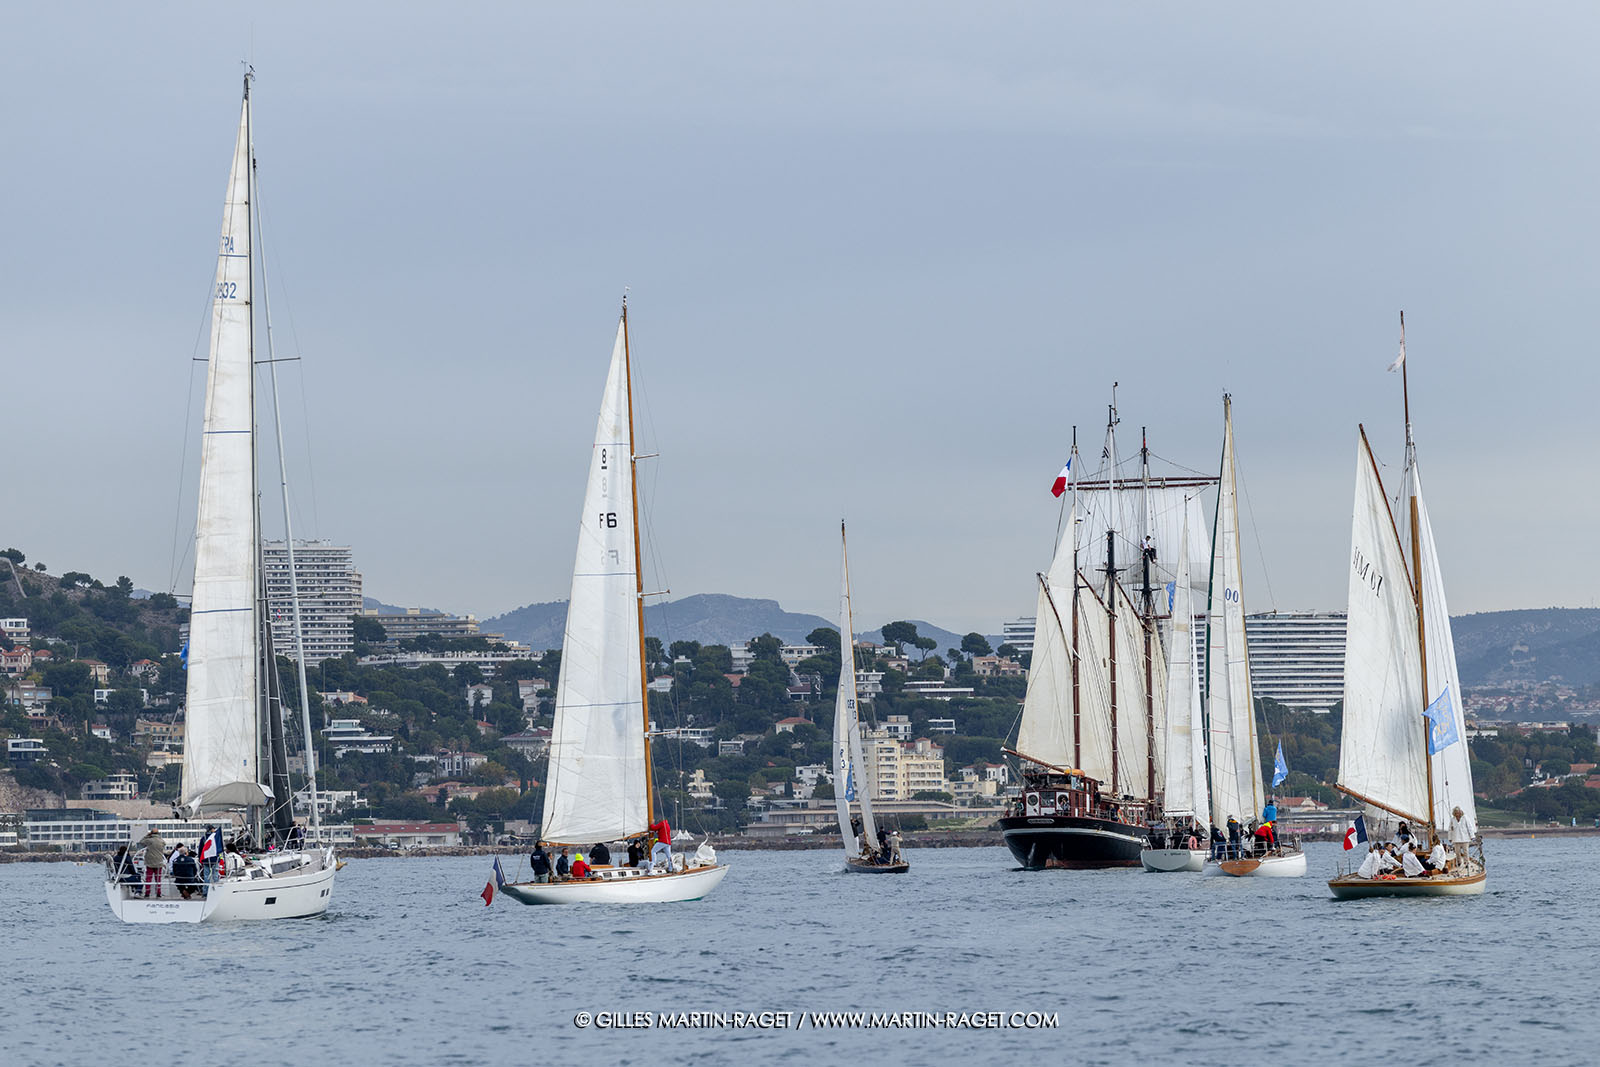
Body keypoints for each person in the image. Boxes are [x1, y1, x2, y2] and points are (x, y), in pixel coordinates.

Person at [139, 828, 167, 899]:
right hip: (159, 862)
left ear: (151, 833)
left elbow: (141, 842)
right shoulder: (162, 841)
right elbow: (164, 845)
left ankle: (147, 893)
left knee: (148, 878)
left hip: (150, 862)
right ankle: (158, 893)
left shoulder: (149, 840)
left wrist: (147, 835)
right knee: (158, 879)